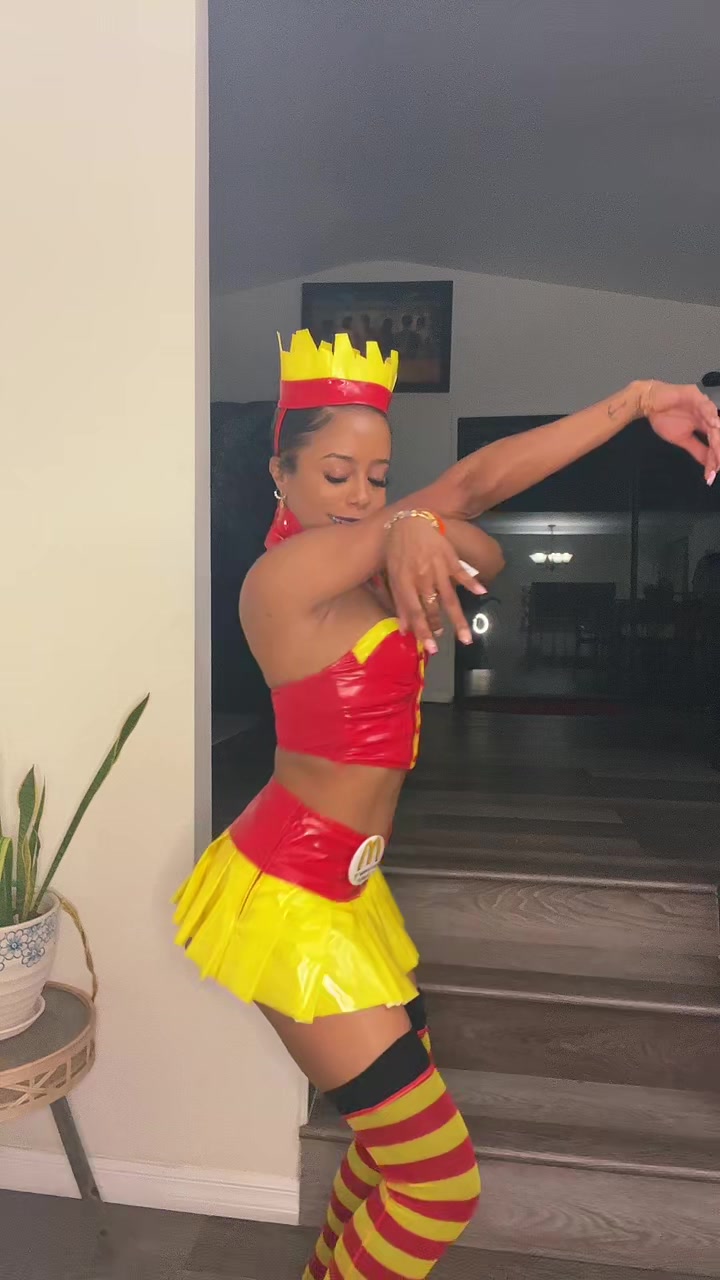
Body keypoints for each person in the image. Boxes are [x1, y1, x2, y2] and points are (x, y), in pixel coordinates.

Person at [174, 330, 719, 1280]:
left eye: (378, 478)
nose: (359, 494)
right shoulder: (281, 579)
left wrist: (425, 517)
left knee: (384, 1151)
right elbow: (462, 501)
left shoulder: (377, 556)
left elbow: (480, 532)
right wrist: (413, 524)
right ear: (280, 472)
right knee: (436, 1185)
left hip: (350, 899)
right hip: (291, 900)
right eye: (335, 472)